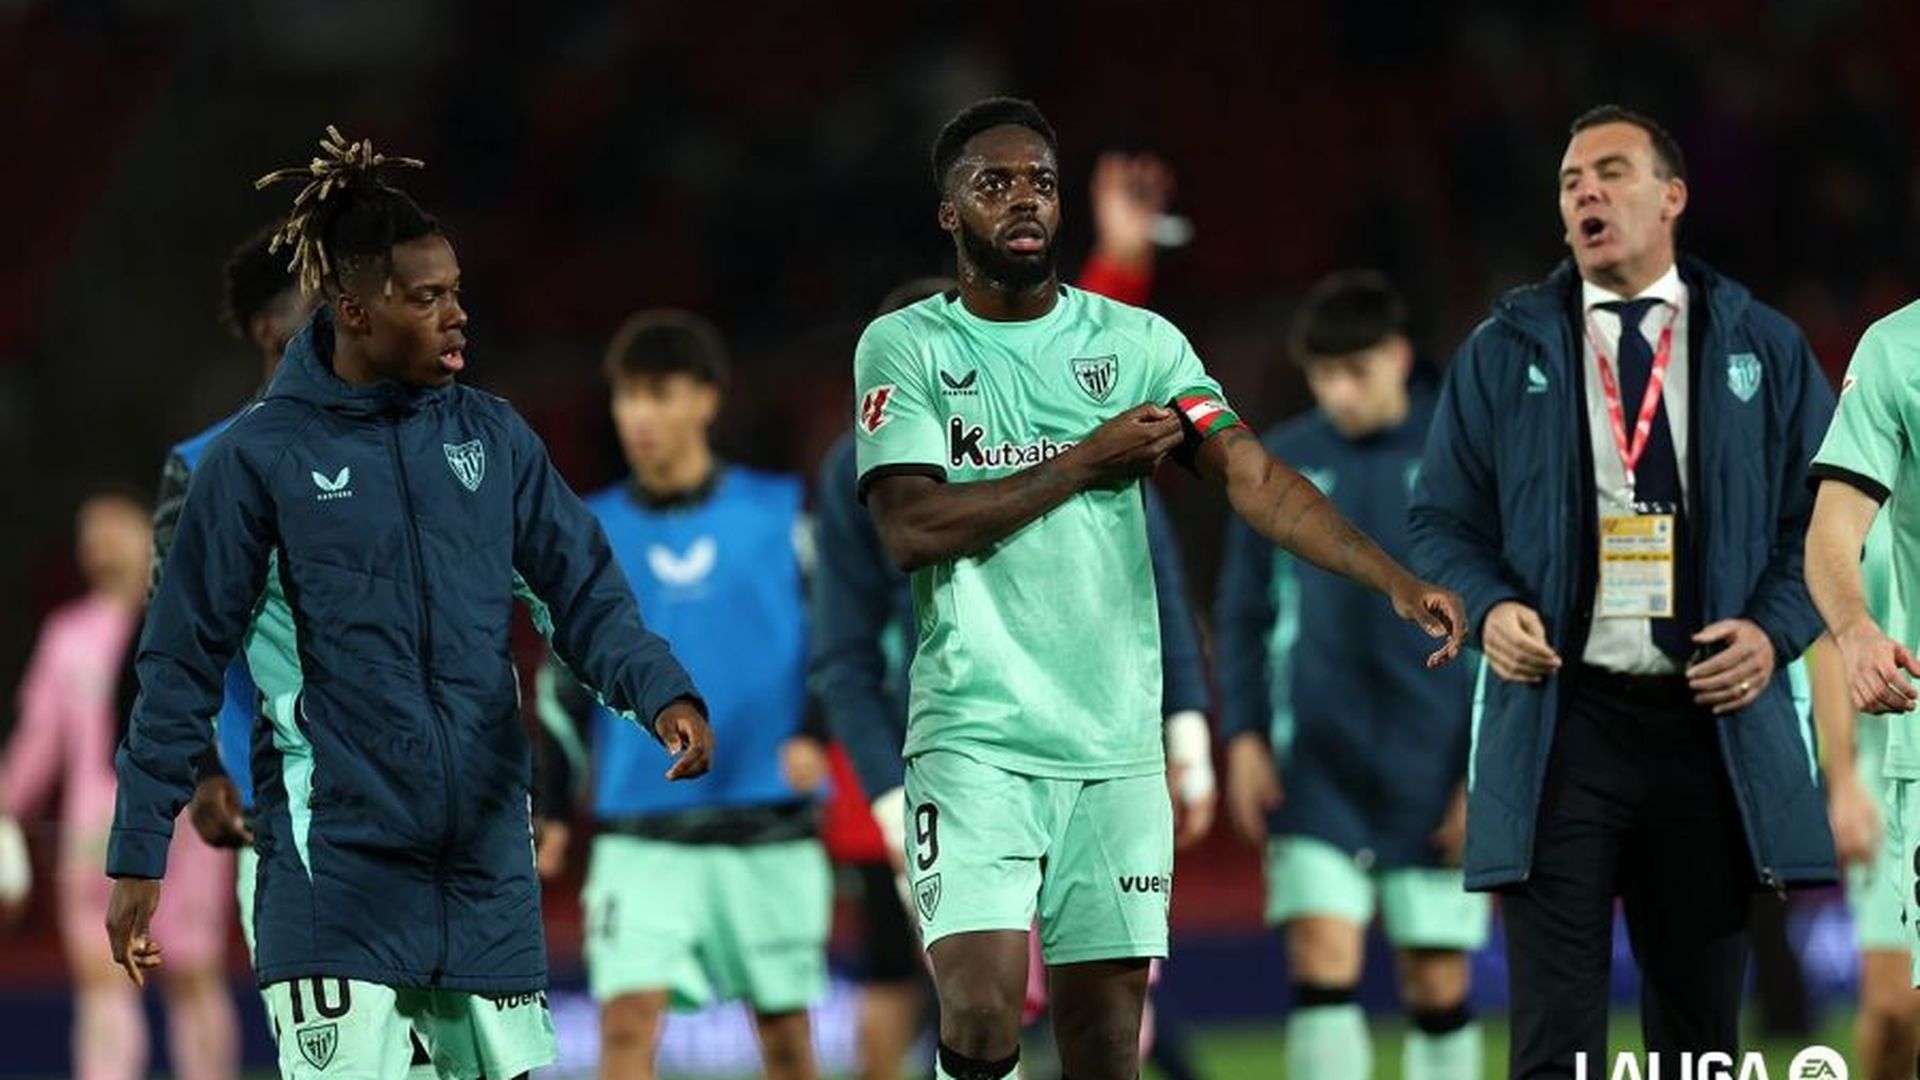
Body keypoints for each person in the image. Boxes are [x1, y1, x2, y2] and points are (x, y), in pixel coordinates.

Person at [856, 97, 1464, 1080]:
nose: (1024, 199)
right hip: (974, 737)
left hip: (1114, 744)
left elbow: (1255, 478)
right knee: (979, 1003)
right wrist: (1081, 463)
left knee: (1105, 1040)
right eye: (994, 182)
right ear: (949, 214)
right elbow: (909, 528)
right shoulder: (907, 348)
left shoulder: (1143, 346)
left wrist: (1386, 574)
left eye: (1042, 183)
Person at [104, 127, 713, 1080]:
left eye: (456, 290)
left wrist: (663, 693)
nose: (457, 314)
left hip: (484, 861)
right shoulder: (254, 461)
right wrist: (141, 848)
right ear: (351, 309)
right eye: (427, 298)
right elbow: (180, 657)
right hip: (333, 863)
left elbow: (583, 594)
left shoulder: (495, 440)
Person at [1409, 105, 1835, 1078]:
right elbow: (1439, 522)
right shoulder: (1500, 350)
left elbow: (1824, 523)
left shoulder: (1762, 346)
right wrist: (1488, 608)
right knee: (1552, 1041)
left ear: (1673, 197)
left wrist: (1774, 633)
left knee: (1698, 1043)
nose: (1587, 192)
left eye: (1611, 172)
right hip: (1564, 723)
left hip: (1710, 724)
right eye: (1570, 182)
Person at [811, 152, 1214, 1080]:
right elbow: (842, 655)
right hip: (943, 758)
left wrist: (1185, 727)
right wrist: (885, 799)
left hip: (1081, 742)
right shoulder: (853, 475)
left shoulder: (1041, 420)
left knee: (1111, 1019)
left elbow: (1148, 567)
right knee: (951, 1005)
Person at [534, 309, 830, 1080]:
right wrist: (555, 803)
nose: (639, 415)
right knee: (627, 1031)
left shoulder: (781, 515)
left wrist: (816, 731)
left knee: (790, 1042)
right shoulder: (588, 530)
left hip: (770, 824)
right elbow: (562, 681)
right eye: (628, 396)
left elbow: (848, 640)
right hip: (639, 832)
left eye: (660, 393)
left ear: (706, 399)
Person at [1218, 270, 1482, 1080]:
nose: (1338, 391)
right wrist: (1247, 737)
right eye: (1322, 374)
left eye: (1354, 370)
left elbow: (1505, 618)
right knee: (1319, 962)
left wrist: (1482, 772)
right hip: (1317, 761)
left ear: (1400, 355)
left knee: (1436, 978)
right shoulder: (1283, 462)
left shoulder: (1464, 454)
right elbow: (1243, 613)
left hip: (1433, 761)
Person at [1, 489, 238, 1080]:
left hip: (143, 826)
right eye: (92, 534)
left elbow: (37, 743)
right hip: (138, 826)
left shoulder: (173, 623)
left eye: (110, 531)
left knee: (166, 980)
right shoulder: (168, 624)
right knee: (169, 981)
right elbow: (40, 741)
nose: (99, 544)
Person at [1803, 305, 1920, 1069]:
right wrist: (1844, 780)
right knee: (1893, 1006)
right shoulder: (1898, 350)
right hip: (1900, 753)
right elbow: (1829, 536)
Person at [1808, 518, 1918, 1080]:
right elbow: (1833, 640)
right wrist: (1844, 782)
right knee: (1896, 1011)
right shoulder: (1874, 494)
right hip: (1895, 783)